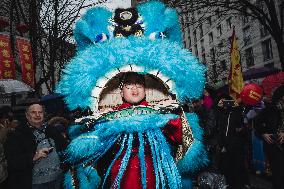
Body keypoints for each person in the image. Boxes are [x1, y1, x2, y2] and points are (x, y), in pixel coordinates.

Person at [4, 102, 67, 189]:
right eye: (33, 112)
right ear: (27, 115)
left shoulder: (52, 130)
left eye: (40, 112)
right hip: (34, 184)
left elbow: (65, 149)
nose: (37, 115)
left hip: (58, 179)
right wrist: (33, 156)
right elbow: (12, 162)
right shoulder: (16, 135)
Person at [216, 95, 250, 189]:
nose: (225, 104)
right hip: (225, 145)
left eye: (226, 101)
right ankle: (228, 184)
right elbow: (220, 130)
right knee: (227, 167)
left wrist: (236, 106)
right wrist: (222, 144)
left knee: (238, 167)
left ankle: (241, 184)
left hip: (237, 145)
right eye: (223, 102)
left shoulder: (237, 112)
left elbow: (242, 127)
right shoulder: (222, 113)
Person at [255, 86, 284, 189]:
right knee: (278, 173)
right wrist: (263, 133)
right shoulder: (270, 109)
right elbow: (257, 122)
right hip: (274, 146)